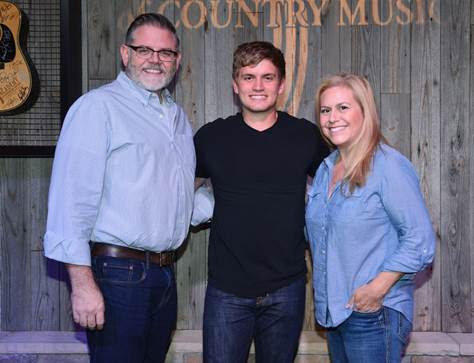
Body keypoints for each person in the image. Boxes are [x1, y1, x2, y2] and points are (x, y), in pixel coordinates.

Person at [43, 13, 195, 363]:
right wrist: (82, 285)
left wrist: (241, 195)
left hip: (163, 276)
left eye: (166, 53)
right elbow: (71, 201)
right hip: (117, 277)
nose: (155, 60)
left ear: (177, 60)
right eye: (145, 50)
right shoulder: (98, 108)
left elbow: (176, 199)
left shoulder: (175, 117)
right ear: (125, 54)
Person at [194, 41, 328, 363]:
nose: (258, 86)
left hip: (287, 288)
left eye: (268, 77)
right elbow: (179, 193)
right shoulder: (211, 138)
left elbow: (336, 190)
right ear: (235, 84)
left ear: (281, 85)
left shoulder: (305, 136)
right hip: (227, 289)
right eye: (248, 76)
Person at [305, 74, 436, 362]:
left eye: (343, 108)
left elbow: (421, 239)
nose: (332, 118)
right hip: (337, 315)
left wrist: (375, 290)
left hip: (375, 314)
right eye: (325, 110)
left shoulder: (387, 165)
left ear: (364, 111)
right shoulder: (327, 168)